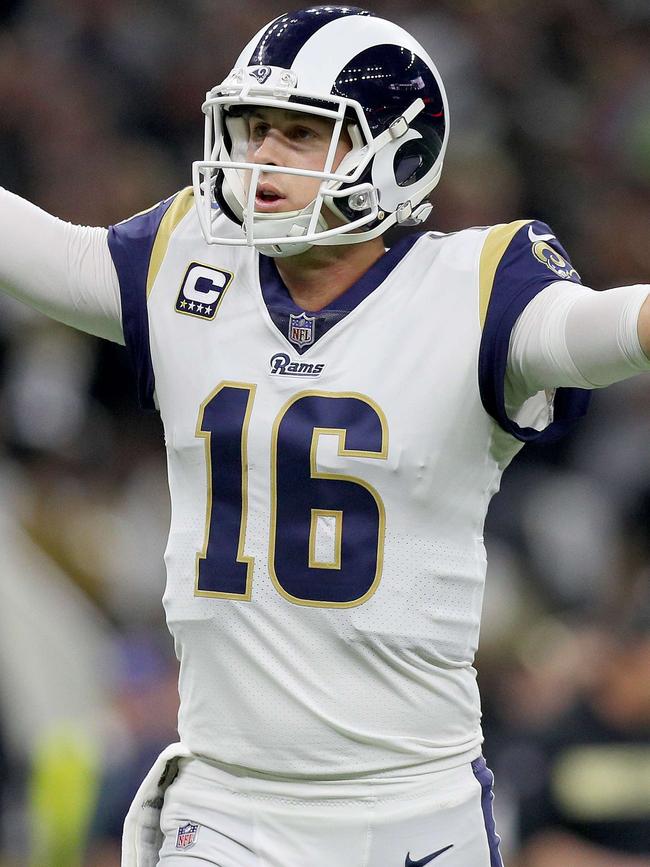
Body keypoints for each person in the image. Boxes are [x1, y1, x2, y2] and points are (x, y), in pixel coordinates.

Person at [1, 6, 649, 866]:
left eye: (301, 134)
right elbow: (41, 251)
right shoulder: (187, 261)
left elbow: (602, 327)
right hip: (228, 799)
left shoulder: (476, 287)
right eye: (254, 127)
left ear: (397, 155)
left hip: (416, 802)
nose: (261, 156)